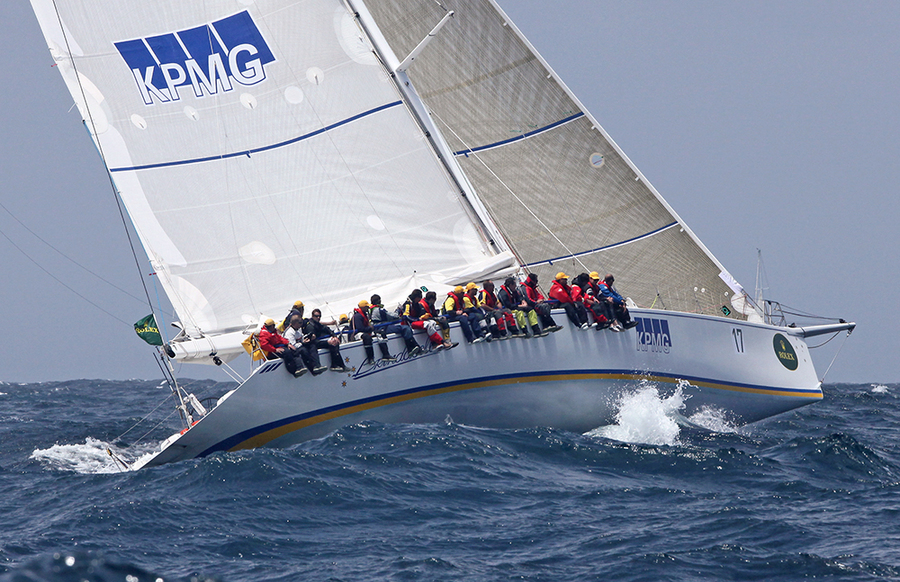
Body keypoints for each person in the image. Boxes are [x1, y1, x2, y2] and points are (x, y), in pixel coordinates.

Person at [352, 300, 395, 365]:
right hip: (358, 333)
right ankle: (370, 358)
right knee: (367, 337)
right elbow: (360, 328)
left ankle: (386, 354)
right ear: (363, 307)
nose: (368, 308)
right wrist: (370, 328)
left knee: (380, 333)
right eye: (366, 307)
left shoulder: (364, 314)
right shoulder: (358, 316)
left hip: (365, 331)